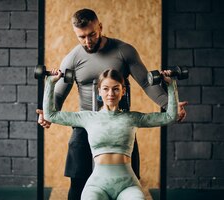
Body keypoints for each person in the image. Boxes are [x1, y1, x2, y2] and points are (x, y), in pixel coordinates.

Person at [36, 8, 187, 200]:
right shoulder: (73, 58)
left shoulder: (124, 51)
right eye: (81, 37)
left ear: (100, 27)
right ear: (75, 33)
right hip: (86, 124)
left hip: (120, 120)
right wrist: (45, 113)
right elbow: (58, 94)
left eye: (92, 34)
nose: (87, 41)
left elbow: (146, 83)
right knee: (77, 181)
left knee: (129, 176)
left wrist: (169, 104)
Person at [43, 68, 178, 200]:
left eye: (116, 88)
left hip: (127, 185)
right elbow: (50, 115)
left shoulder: (133, 118)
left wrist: (171, 84)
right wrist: (50, 82)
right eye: (106, 88)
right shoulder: (87, 117)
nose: (110, 93)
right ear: (99, 91)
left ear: (123, 91)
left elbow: (170, 116)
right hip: (97, 185)